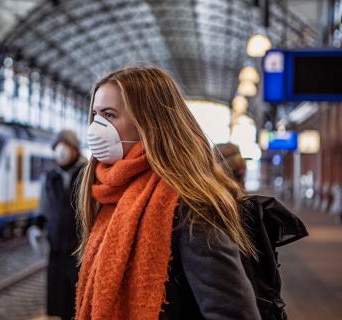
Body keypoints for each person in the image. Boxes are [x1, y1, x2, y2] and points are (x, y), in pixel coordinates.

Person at [75, 67, 261, 320]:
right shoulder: (109, 196)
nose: (97, 126)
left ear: (149, 122)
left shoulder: (190, 206)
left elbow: (233, 312)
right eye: (95, 114)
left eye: (109, 115)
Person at [37, 129, 86, 320]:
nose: (61, 151)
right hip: (56, 248)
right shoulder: (51, 177)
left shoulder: (86, 172)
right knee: (59, 300)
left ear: (75, 149)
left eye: (66, 145)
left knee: (78, 300)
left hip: (79, 249)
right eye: (58, 146)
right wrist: (38, 226)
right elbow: (44, 205)